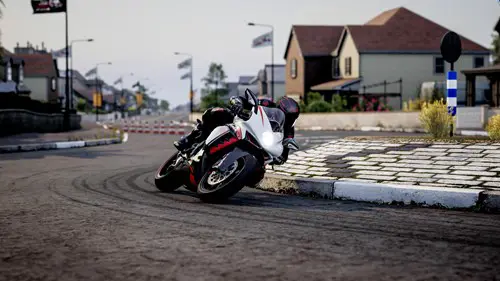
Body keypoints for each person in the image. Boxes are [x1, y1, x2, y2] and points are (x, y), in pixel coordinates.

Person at [174, 93, 300, 165]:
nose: (288, 119)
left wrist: (280, 158)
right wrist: (238, 103)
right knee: (217, 113)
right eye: (287, 115)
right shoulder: (267, 104)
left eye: (291, 117)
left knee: (258, 173)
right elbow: (246, 100)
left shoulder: (289, 131)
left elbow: (284, 154)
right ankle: (188, 140)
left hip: (260, 145)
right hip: (243, 123)